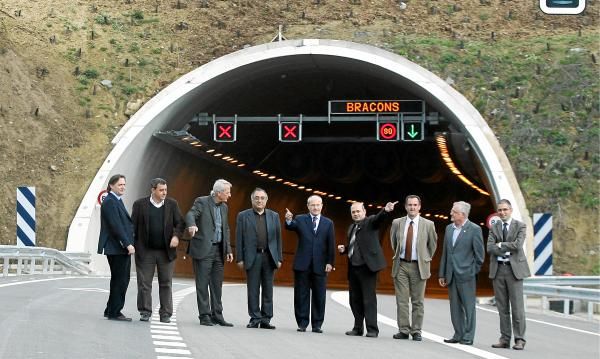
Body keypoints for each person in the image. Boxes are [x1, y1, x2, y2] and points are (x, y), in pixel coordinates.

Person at [338, 201, 397, 338]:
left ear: (364, 212)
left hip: (367, 267)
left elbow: (379, 219)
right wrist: (344, 250)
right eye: (353, 212)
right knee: (354, 299)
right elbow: (356, 246)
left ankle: (372, 329)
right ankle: (358, 328)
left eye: (358, 211)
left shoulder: (370, 222)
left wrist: (385, 210)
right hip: (353, 267)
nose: (356, 214)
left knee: (368, 299)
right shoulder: (351, 227)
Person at [132, 178, 185, 323]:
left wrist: (176, 236)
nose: (164, 193)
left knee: (166, 282)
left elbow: (180, 223)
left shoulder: (172, 204)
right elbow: (133, 227)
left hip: (166, 252)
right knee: (144, 283)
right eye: (161, 190)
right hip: (146, 251)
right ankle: (145, 311)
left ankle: (166, 313)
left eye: (166, 190)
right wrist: (131, 244)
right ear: (153, 190)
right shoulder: (139, 205)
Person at [185, 179, 234, 327]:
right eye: (227, 192)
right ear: (219, 193)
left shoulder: (224, 207)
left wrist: (228, 249)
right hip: (204, 249)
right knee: (202, 284)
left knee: (217, 285)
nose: (230, 195)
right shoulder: (202, 202)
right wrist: (192, 225)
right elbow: (190, 214)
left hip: (219, 250)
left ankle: (217, 315)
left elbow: (225, 229)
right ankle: (204, 315)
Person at [284, 195, 335, 333]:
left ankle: (317, 324)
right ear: (308, 206)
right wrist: (289, 220)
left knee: (319, 295)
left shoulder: (328, 223)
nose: (315, 207)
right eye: (312, 205)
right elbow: (291, 226)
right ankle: (302, 323)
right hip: (302, 264)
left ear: (322, 206)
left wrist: (330, 262)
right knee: (301, 295)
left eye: (318, 205)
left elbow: (331, 244)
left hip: (320, 264)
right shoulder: (300, 219)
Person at [390, 195, 438, 341]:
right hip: (402, 265)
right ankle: (403, 330)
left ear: (419, 207)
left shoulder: (428, 224)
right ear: (405, 207)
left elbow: (433, 245)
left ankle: (416, 330)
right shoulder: (397, 223)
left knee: (418, 301)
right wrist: (399, 255)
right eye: (409, 205)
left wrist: (425, 258)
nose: (412, 207)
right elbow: (393, 242)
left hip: (419, 266)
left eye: (415, 205)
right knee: (402, 300)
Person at [236, 188, 283, 330]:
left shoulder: (274, 216)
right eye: (256, 197)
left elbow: (278, 238)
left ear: (266, 200)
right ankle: (255, 318)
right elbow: (239, 238)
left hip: (269, 257)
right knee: (253, 289)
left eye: (262, 198)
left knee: (268, 289)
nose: (259, 200)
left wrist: (279, 257)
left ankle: (266, 319)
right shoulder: (243, 216)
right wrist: (240, 258)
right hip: (252, 256)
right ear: (252, 199)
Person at [438, 201, 484, 345]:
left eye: (454, 212)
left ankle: (468, 336)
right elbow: (445, 253)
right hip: (451, 275)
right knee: (455, 307)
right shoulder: (449, 229)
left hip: (467, 276)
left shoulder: (474, 229)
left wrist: (471, 272)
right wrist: (442, 273)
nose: (451, 213)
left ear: (462, 214)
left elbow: (480, 256)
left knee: (469, 307)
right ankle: (458, 334)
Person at [487, 199, 530, 350]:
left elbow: (517, 246)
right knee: (502, 307)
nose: (502, 212)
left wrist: (501, 245)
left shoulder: (520, 226)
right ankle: (504, 339)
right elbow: (490, 248)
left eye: (505, 209)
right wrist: (504, 247)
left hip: (514, 271)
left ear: (510, 210)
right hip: (498, 270)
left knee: (517, 307)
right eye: (500, 210)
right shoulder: (494, 227)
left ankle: (519, 339)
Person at [97, 174, 135, 322]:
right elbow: (116, 226)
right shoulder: (110, 202)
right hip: (117, 247)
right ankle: (115, 312)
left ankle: (110, 309)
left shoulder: (115, 200)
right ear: (111, 186)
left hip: (117, 247)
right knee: (121, 280)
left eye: (124, 184)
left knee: (118, 279)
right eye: (120, 185)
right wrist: (127, 244)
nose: (123, 187)